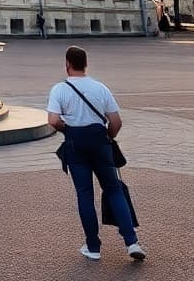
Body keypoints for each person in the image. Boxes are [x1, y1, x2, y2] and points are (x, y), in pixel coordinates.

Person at [47, 46, 146, 262]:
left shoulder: (59, 90)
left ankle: (93, 246)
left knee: (84, 195)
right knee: (114, 189)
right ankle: (131, 242)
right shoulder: (100, 88)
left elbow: (53, 121)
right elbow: (116, 121)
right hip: (101, 144)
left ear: (67, 65)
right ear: (86, 65)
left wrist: (69, 130)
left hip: (76, 146)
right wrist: (108, 137)